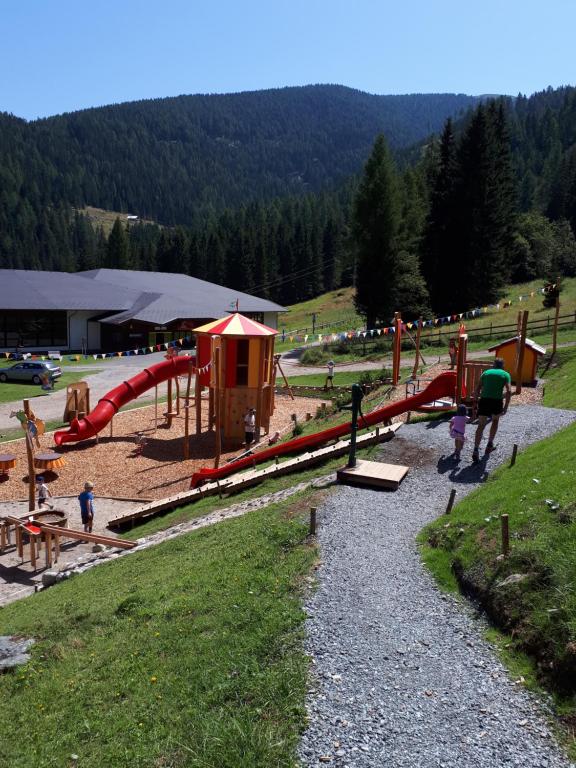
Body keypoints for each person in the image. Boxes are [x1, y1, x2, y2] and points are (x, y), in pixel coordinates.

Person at [472, 357, 512, 462]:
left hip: (484, 400)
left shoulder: (486, 373)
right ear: (503, 366)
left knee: (481, 425)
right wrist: (506, 406)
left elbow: (477, 389)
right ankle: (489, 444)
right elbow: (509, 391)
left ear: (493, 365)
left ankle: (476, 449)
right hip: (496, 402)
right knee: (495, 421)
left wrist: (475, 404)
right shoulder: (505, 374)